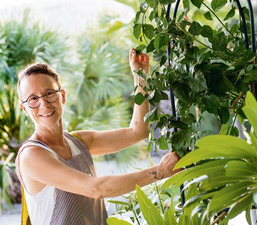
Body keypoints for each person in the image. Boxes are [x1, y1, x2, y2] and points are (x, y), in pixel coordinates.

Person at [15, 48, 181, 225]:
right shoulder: (31, 156)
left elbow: (137, 131)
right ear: (24, 108)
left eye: (49, 93)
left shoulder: (78, 142)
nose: (44, 104)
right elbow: (96, 188)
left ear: (62, 96)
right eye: (33, 99)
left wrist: (140, 78)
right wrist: (160, 171)